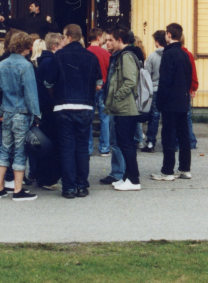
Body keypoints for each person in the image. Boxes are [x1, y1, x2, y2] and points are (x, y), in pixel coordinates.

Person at [43, 24, 101, 199]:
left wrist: (57, 97)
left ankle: (68, 188)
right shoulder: (92, 56)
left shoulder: (59, 56)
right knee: (82, 147)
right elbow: (99, 84)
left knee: (67, 147)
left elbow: (48, 83)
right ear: (80, 36)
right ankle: (82, 185)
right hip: (85, 106)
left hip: (63, 106)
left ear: (67, 37)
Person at [0, 31, 40, 201]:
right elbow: (31, 94)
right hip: (21, 114)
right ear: (27, 47)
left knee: (4, 149)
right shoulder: (26, 66)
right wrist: (36, 115)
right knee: (20, 151)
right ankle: (18, 190)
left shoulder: (1, 64)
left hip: (6, 113)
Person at [152, 23, 193, 182]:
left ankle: (167, 170)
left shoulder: (168, 55)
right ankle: (185, 168)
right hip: (183, 100)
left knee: (168, 136)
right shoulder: (185, 54)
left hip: (170, 102)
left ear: (168, 35)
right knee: (183, 136)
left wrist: (160, 102)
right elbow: (188, 78)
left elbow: (165, 81)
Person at [103, 29, 142, 191]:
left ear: (119, 40)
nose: (107, 43)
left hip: (126, 107)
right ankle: (127, 177)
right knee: (124, 143)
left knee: (126, 144)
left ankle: (133, 180)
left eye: (110, 40)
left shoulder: (126, 56)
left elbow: (130, 81)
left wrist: (117, 97)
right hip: (124, 107)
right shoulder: (124, 55)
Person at [32, 32, 63, 190]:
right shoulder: (51, 61)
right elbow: (50, 85)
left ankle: (41, 175)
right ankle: (48, 178)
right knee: (52, 144)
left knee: (44, 142)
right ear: (55, 46)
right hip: (50, 107)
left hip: (42, 107)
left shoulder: (42, 61)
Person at [86, 28, 112, 157]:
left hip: (88, 88)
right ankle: (104, 148)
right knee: (104, 118)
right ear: (99, 37)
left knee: (88, 119)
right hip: (103, 87)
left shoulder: (85, 52)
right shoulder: (105, 54)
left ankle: (88, 148)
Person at [142, 31, 166, 153]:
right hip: (168, 90)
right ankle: (172, 142)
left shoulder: (151, 57)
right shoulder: (170, 55)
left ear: (157, 41)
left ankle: (151, 142)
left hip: (155, 90)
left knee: (154, 116)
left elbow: (147, 76)